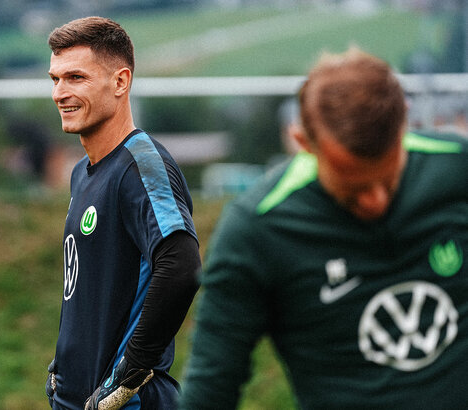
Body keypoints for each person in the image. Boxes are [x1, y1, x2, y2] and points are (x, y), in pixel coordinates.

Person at [179, 47, 468, 409]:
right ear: (303, 143)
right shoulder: (258, 229)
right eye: (354, 188)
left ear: (403, 123)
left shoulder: (457, 169)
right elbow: (211, 386)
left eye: (388, 178)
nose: (375, 200)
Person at [44, 16, 201, 410]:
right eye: (55, 79)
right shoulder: (82, 173)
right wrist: (65, 365)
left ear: (120, 81)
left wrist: (129, 375)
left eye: (76, 77)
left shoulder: (142, 166)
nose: (60, 93)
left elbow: (181, 264)